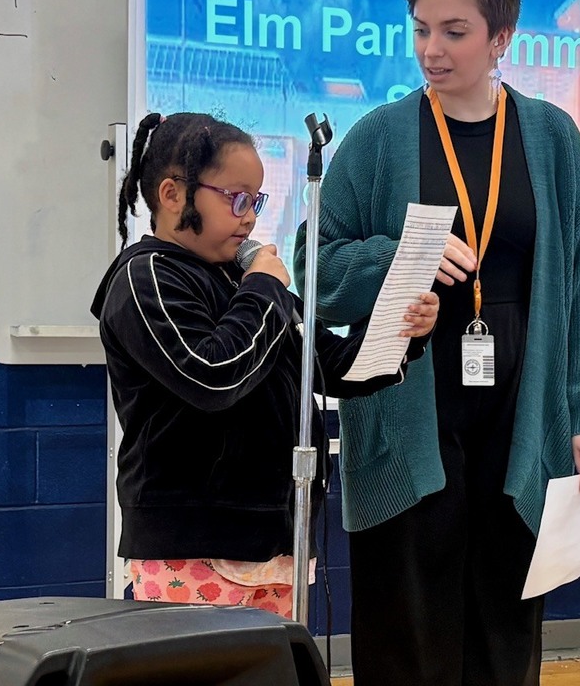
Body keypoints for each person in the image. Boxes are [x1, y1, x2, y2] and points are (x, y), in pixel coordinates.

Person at [294, 0, 580, 685]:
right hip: (411, 410)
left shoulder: (551, 138)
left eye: (453, 31)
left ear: (500, 38)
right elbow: (314, 268)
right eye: (420, 29)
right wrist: (393, 256)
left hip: (519, 415)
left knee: (505, 629)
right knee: (409, 629)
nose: (431, 50)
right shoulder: (379, 138)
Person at [91, 111, 439, 619]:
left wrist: (402, 331)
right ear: (172, 196)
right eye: (236, 199)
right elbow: (212, 376)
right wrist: (264, 288)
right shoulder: (146, 280)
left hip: (274, 534)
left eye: (255, 200)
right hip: (196, 544)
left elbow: (333, 367)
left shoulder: (246, 280)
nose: (249, 217)